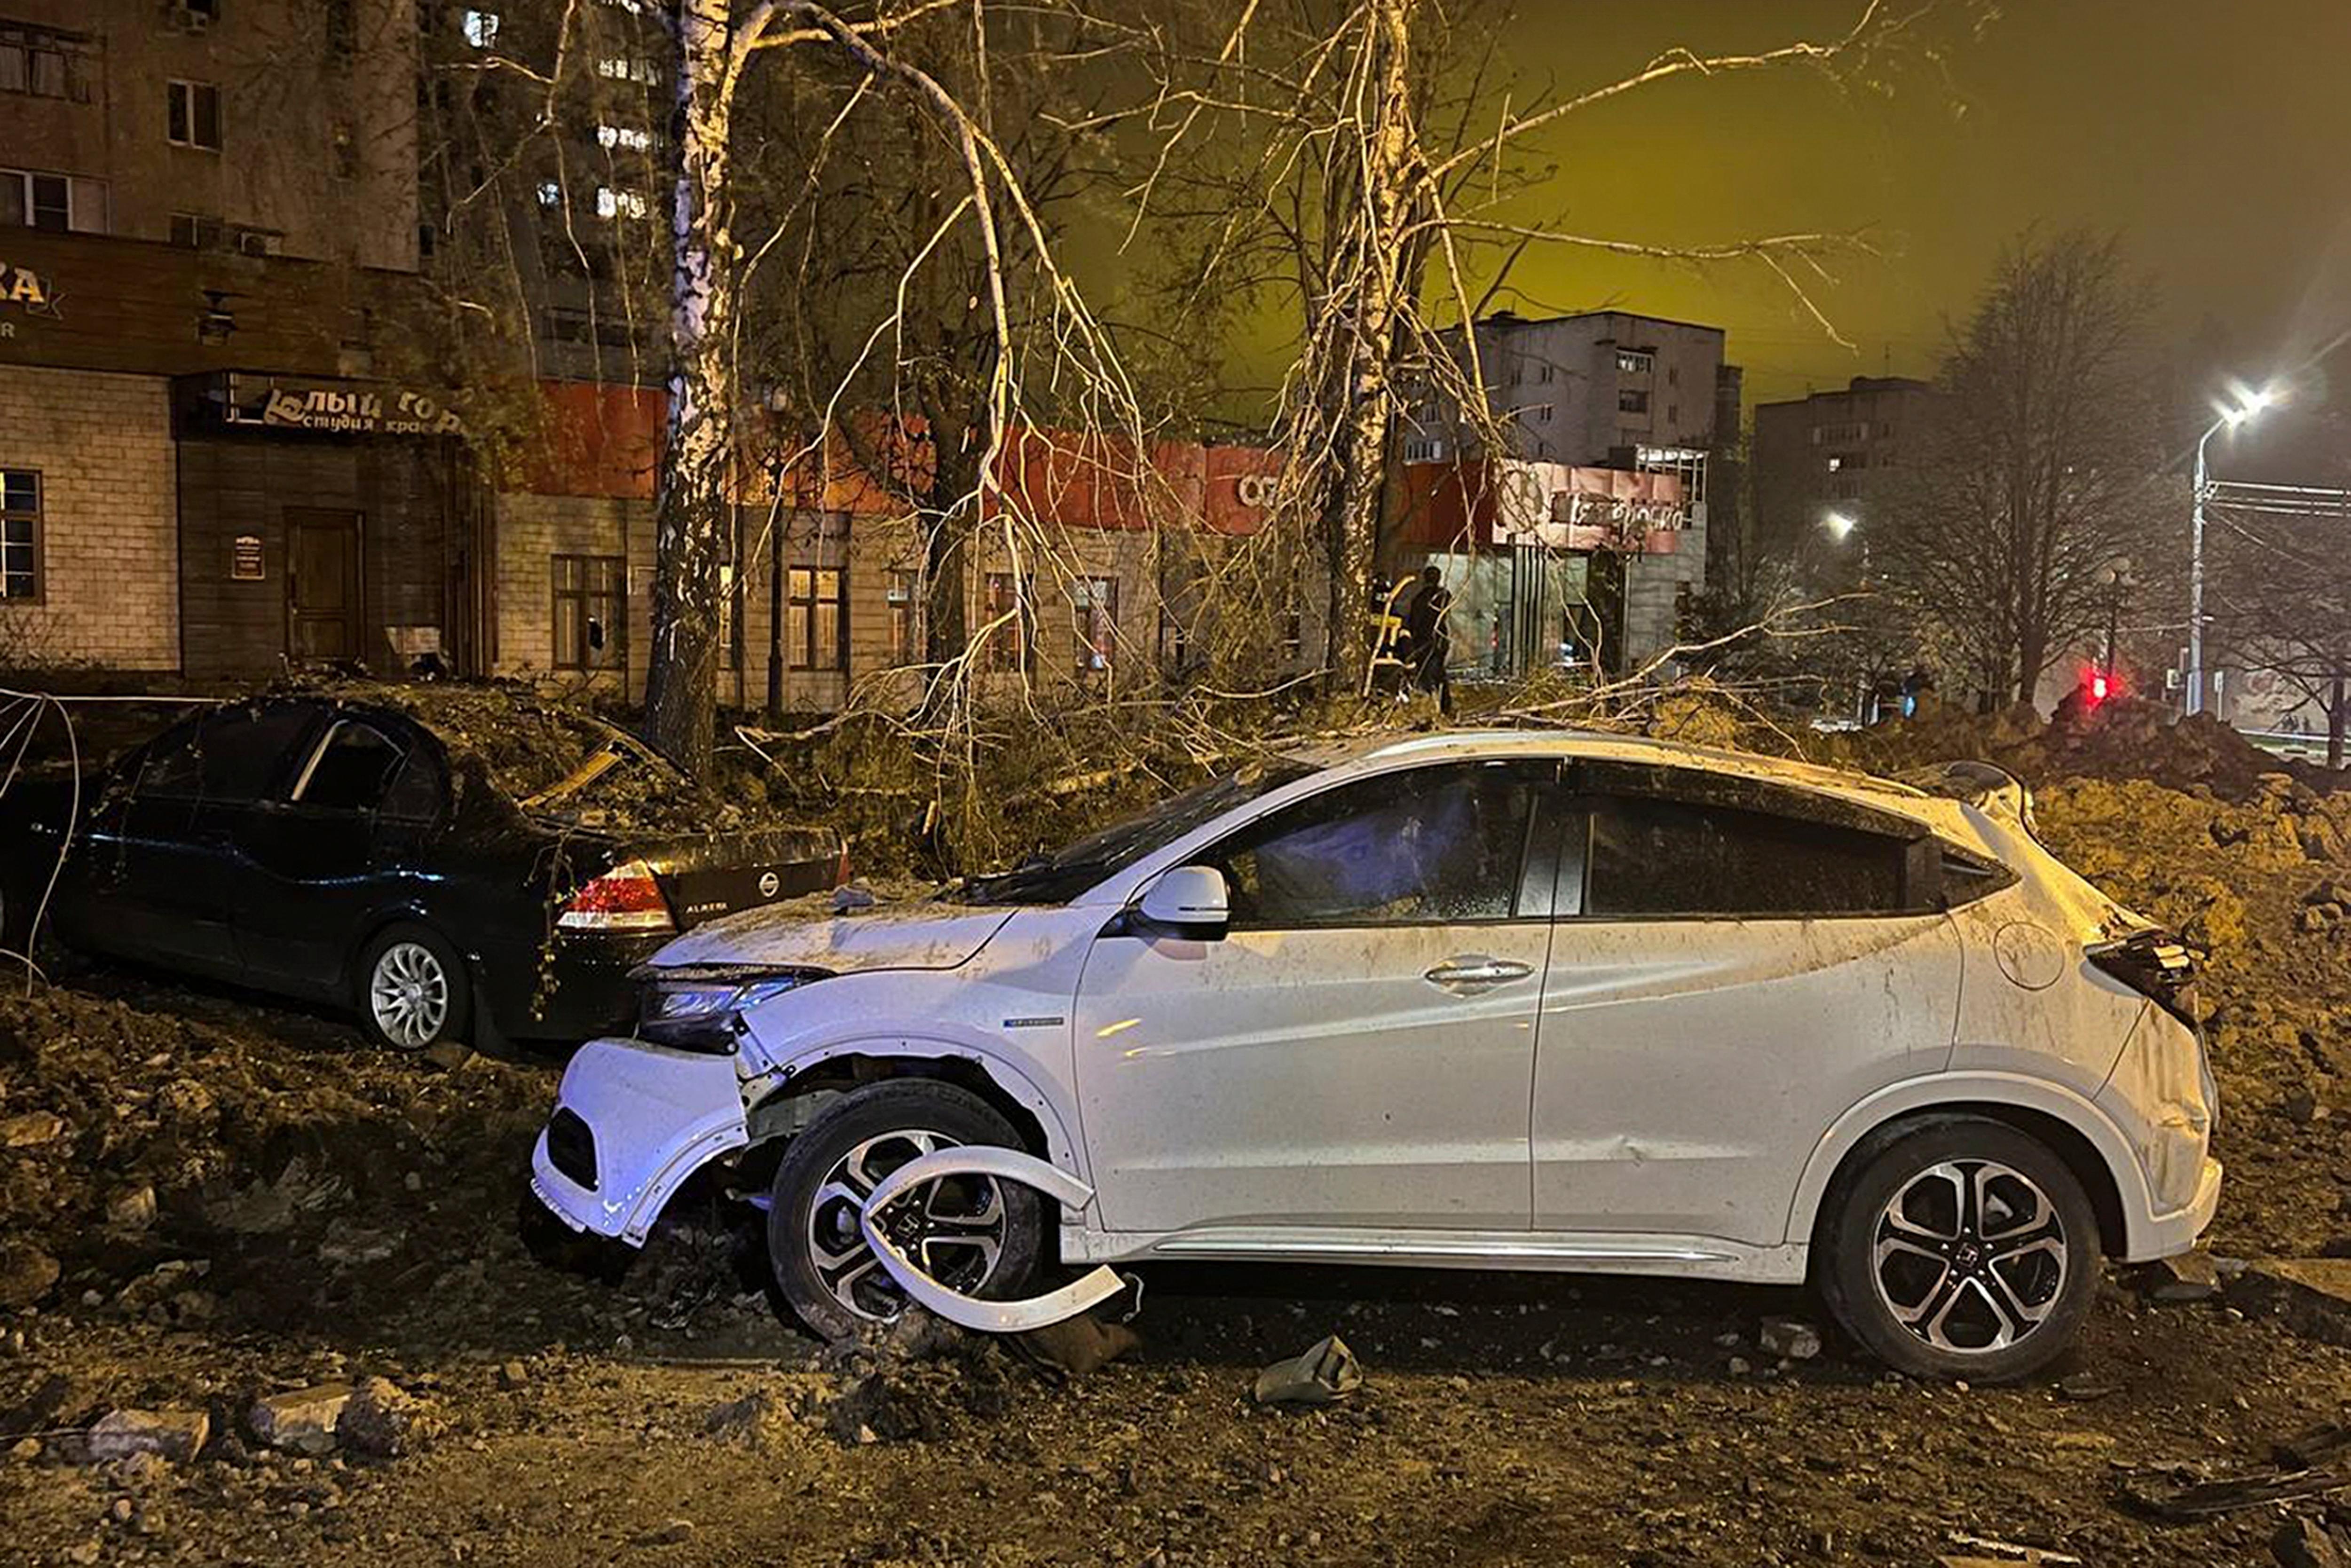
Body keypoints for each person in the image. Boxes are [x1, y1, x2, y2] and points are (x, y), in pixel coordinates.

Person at [1401, 565, 1453, 716]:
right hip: (1438, 639)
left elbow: (1414, 622)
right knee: (1437, 673)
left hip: (1425, 640)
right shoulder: (1443, 596)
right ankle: (1441, 706)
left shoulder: (1420, 598)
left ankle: (1435, 706)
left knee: (1428, 673)